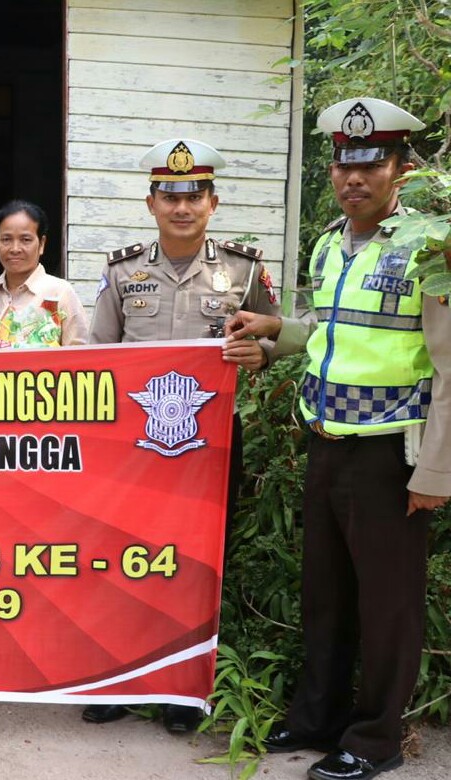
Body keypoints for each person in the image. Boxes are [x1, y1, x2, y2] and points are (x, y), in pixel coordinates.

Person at [224, 97, 450, 780]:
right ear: (332, 171)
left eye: (371, 166)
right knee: (324, 592)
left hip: (389, 452)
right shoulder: (329, 243)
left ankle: (375, 737)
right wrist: (274, 336)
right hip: (324, 438)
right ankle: (317, 715)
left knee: (386, 603)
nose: (354, 180)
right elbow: (333, 329)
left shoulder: (429, 248)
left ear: (400, 172)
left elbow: (448, 363)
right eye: (344, 166)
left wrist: (434, 474)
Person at [83, 138, 280, 735]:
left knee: (196, 565)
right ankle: (121, 680)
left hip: (212, 446)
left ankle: (181, 690)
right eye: (170, 196)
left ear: (212, 202)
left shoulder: (243, 270)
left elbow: (273, 341)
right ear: (151, 203)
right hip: (133, 450)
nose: (182, 207)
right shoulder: (123, 271)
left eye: (193, 195)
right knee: (122, 561)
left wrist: (260, 354)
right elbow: (101, 360)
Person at [0, 200, 87, 348]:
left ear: (41, 244)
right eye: (6, 239)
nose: (15, 248)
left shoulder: (60, 293)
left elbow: (81, 358)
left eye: (25, 240)